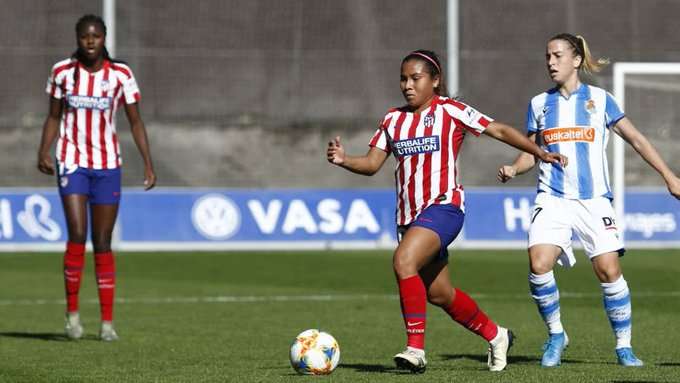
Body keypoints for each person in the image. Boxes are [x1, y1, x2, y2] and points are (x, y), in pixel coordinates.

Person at [326, 50, 567, 373]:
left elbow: (498, 130)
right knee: (440, 294)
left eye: (416, 78)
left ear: (435, 81)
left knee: (403, 261)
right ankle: (497, 336)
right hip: (409, 217)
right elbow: (371, 164)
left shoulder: (450, 111)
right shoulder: (392, 119)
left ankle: (415, 350)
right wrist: (345, 160)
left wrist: (538, 151)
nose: (407, 85)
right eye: (403, 78)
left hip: (445, 207)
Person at [498, 33, 680, 367]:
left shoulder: (601, 99)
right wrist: (514, 167)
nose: (550, 62)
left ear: (576, 59)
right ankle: (556, 335)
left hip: (594, 200)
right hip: (552, 198)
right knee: (538, 265)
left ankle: (624, 347)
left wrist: (669, 177)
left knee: (609, 271)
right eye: (547, 56)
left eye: (557, 55)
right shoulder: (539, 104)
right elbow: (531, 153)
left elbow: (637, 140)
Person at [37, 14, 156, 341]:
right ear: (78, 38)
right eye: (85, 36)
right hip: (72, 160)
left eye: (96, 36)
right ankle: (72, 315)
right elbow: (53, 116)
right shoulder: (62, 72)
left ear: (104, 38)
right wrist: (43, 151)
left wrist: (147, 162)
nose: (90, 41)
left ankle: (107, 324)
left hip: (107, 165)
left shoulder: (121, 74)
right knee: (77, 233)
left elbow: (135, 121)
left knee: (102, 241)